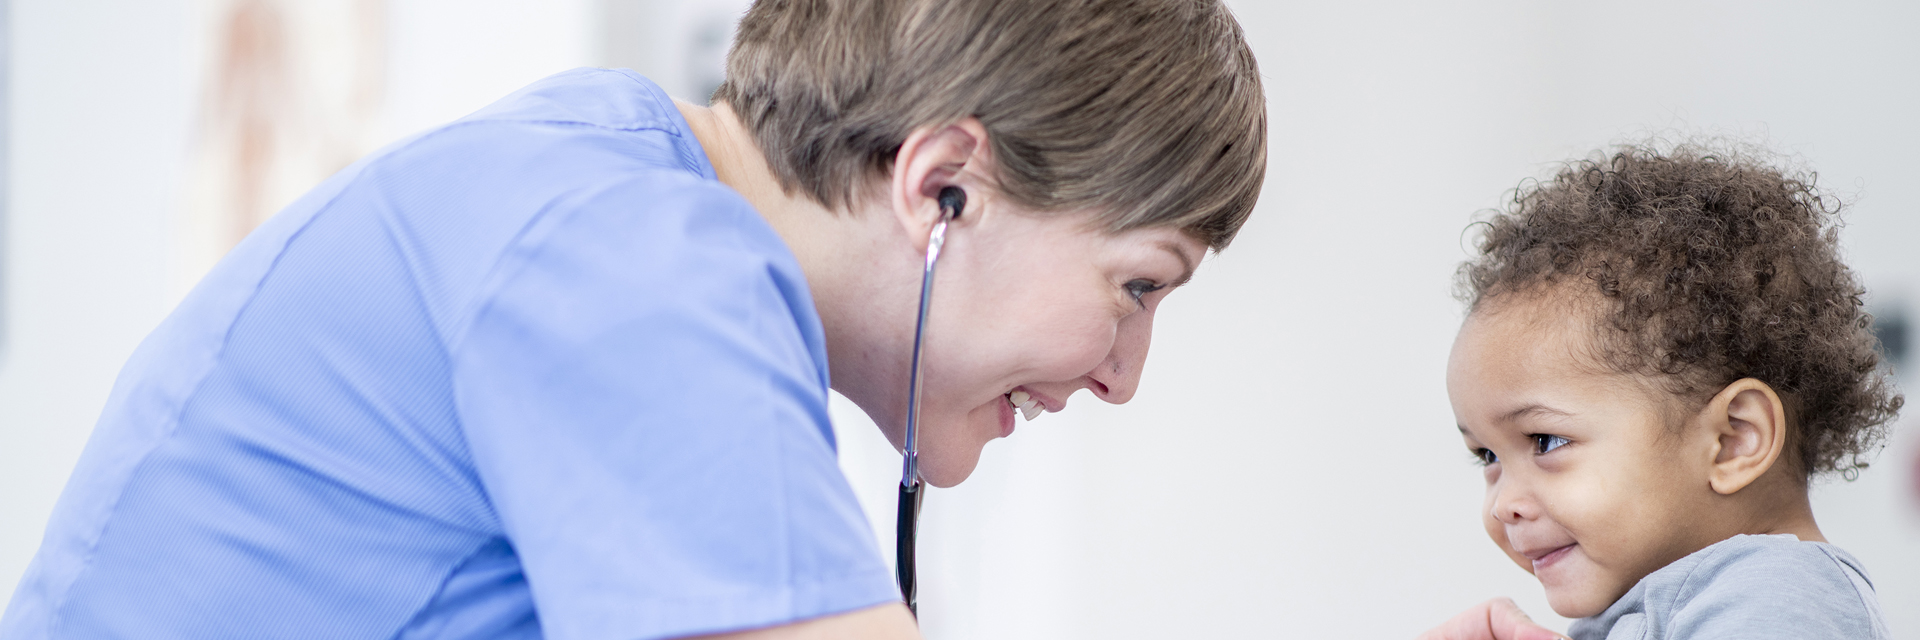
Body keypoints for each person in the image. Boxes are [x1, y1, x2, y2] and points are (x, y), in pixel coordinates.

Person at [3, 0, 1560, 638]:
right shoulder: (631, 265)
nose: (1124, 375)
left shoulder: (605, 195)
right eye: (1137, 286)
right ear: (943, 183)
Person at [1448, 143, 1903, 639]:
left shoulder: (1781, 592)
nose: (1502, 505)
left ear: (1733, 440)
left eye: (1546, 441)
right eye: (1487, 455)